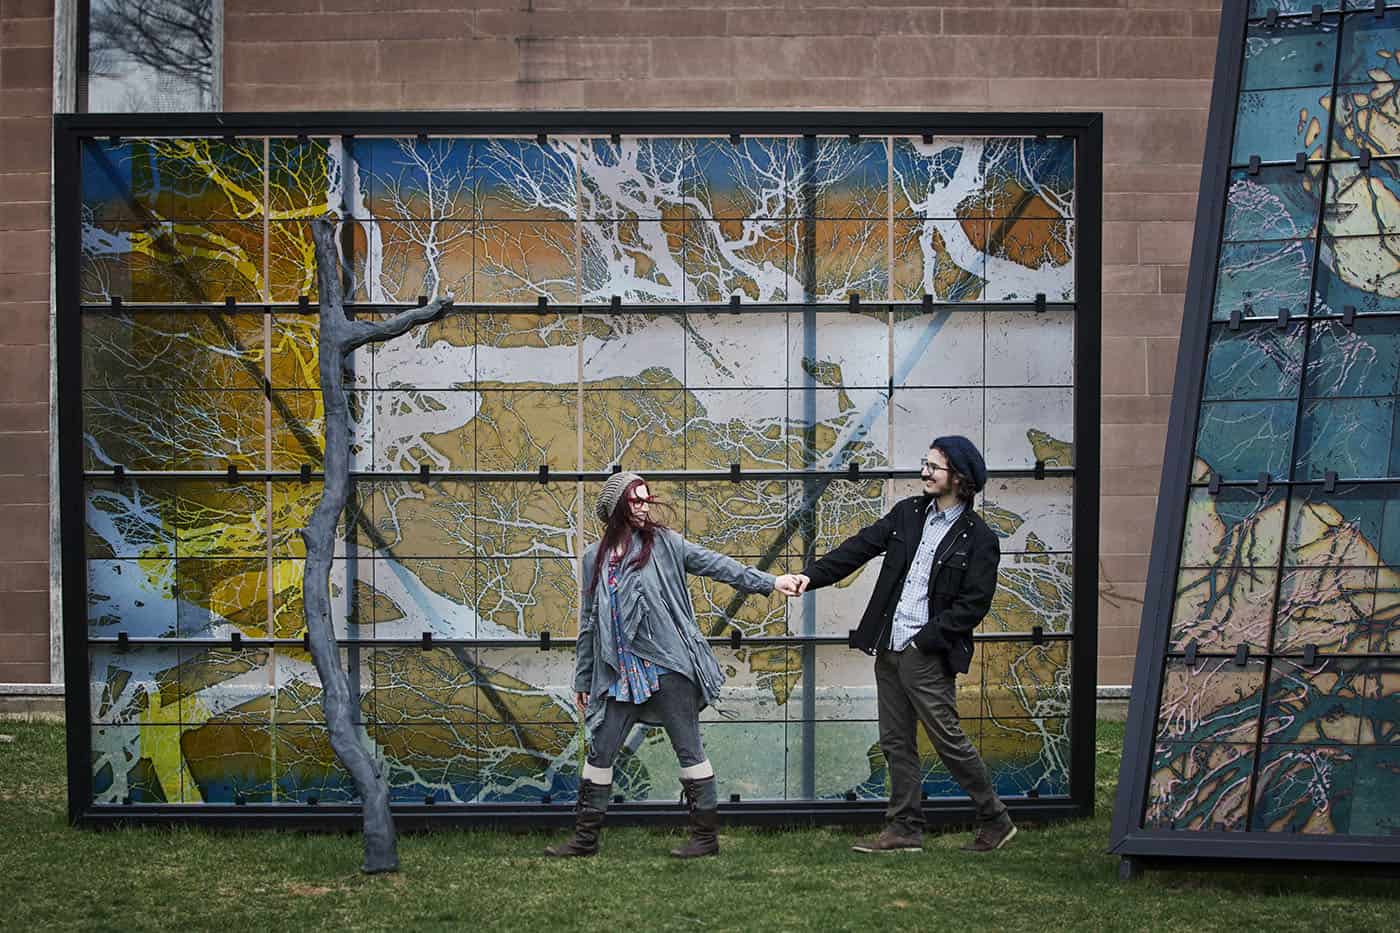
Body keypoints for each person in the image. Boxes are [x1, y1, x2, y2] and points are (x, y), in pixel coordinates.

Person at [545, 471, 805, 859]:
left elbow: (717, 565)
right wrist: (584, 677)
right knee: (600, 751)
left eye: (647, 499)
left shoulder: (665, 544)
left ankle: (705, 838)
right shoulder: (591, 558)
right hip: (619, 675)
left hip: (670, 670)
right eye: (635, 500)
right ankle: (585, 840)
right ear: (614, 507)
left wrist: (770, 582)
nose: (643, 506)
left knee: (689, 750)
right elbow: (588, 623)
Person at [789, 436, 1016, 853]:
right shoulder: (908, 514)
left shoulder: (979, 538)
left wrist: (924, 642)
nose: (925, 472)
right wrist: (811, 577)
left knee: (947, 739)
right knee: (896, 742)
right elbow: (858, 548)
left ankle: (995, 819)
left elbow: (973, 605)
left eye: (934, 467)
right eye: (924, 463)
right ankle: (904, 828)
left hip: (926, 653)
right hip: (889, 647)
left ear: (960, 479)